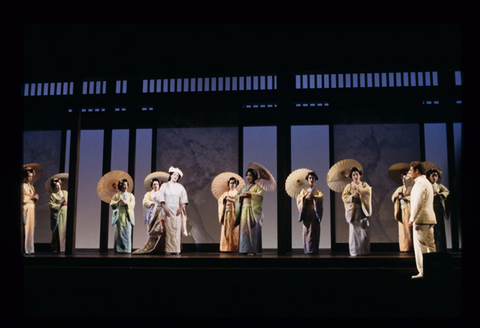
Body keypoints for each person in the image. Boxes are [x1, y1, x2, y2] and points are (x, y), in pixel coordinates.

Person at [408, 161, 437, 279]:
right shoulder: (427, 183)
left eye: (411, 170)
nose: (410, 172)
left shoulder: (420, 184)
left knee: (420, 247)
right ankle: (433, 270)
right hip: (429, 218)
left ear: (416, 171)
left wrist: (411, 219)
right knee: (431, 246)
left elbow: (418, 203)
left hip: (421, 219)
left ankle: (423, 272)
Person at [341, 166, 372, 256]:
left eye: (357, 174)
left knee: (364, 232)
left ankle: (364, 251)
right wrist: (353, 196)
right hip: (353, 211)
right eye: (353, 174)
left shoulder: (364, 185)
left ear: (359, 175)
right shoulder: (348, 186)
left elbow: (368, 192)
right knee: (354, 232)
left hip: (362, 210)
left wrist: (360, 191)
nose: (355, 176)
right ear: (351, 176)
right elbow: (344, 198)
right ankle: (355, 251)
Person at [158, 167, 189, 255]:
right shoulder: (164, 185)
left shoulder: (180, 187)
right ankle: (168, 249)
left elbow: (184, 198)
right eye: (174, 175)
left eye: (177, 175)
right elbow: (161, 197)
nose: (176, 176)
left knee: (177, 229)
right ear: (171, 175)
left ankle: (176, 249)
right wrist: (165, 208)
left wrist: (181, 208)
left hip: (177, 211)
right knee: (169, 230)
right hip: (168, 209)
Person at [133, 178, 166, 254]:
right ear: (152, 185)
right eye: (154, 184)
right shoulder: (148, 194)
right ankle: (150, 246)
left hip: (160, 214)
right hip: (152, 214)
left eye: (157, 184)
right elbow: (144, 202)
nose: (155, 186)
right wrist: (151, 203)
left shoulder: (161, 193)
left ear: (159, 185)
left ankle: (159, 247)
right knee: (151, 230)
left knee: (160, 230)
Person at [235, 168, 264, 255]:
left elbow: (260, 196)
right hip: (244, 209)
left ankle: (252, 250)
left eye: (250, 175)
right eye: (247, 175)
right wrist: (240, 196)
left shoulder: (257, 187)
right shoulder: (243, 188)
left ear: (254, 177)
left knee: (252, 229)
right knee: (244, 229)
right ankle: (244, 249)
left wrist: (251, 194)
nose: (248, 177)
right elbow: (236, 197)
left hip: (252, 210)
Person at [296, 171, 323, 254]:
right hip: (307, 213)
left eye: (313, 178)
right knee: (307, 231)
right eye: (310, 178)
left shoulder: (318, 191)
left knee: (314, 231)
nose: (311, 179)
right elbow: (299, 199)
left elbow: (320, 198)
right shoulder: (304, 191)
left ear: (315, 180)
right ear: (307, 180)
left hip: (314, 213)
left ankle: (314, 249)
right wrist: (304, 197)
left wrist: (314, 197)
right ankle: (307, 249)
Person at [427, 168, 450, 253]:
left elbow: (446, 192)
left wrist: (440, 194)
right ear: (429, 176)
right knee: (431, 230)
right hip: (430, 209)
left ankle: (441, 248)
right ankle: (432, 249)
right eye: (432, 175)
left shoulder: (439, 186)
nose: (434, 177)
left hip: (438, 209)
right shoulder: (427, 185)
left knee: (439, 228)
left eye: (436, 175)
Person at [110, 179, 135, 253]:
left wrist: (125, 202)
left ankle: (127, 249)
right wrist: (118, 201)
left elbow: (132, 205)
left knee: (127, 232)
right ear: (121, 186)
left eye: (126, 185)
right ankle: (118, 249)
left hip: (127, 214)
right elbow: (112, 204)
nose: (125, 186)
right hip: (120, 215)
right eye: (123, 185)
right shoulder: (117, 195)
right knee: (119, 232)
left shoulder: (130, 195)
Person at [391, 171, 413, 252]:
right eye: (403, 178)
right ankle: (404, 247)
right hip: (401, 211)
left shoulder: (412, 188)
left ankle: (410, 247)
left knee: (409, 230)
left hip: (408, 210)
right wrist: (397, 196)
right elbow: (393, 197)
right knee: (402, 230)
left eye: (405, 178)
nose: (404, 180)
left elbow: (413, 197)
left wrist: (405, 198)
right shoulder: (400, 188)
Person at [217, 177, 240, 252]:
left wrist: (232, 200)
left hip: (233, 213)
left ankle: (234, 247)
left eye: (233, 183)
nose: (232, 185)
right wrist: (224, 199)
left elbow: (239, 202)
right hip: (226, 213)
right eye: (230, 183)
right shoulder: (226, 193)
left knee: (233, 230)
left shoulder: (237, 193)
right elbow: (220, 200)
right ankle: (225, 247)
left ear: (236, 184)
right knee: (225, 230)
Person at [48, 177, 68, 253]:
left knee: (66, 230)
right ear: (54, 187)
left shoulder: (65, 193)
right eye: (56, 185)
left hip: (66, 213)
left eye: (59, 184)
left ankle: (65, 247)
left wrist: (66, 202)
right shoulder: (53, 195)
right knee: (58, 231)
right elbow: (51, 206)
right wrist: (60, 204)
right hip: (59, 214)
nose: (58, 186)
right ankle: (55, 247)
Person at [22, 167, 39, 255]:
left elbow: (33, 197)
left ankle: (30, 248)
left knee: (31, 229)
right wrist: (31, 197)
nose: (31, 178)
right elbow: (22, 198)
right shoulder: (22, 186)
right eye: (29, 176)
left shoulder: (31, 187)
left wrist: (35, 197)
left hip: (32, 208)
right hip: (26, 208)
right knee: (25, 229)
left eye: (32, 176)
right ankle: (24, 249)